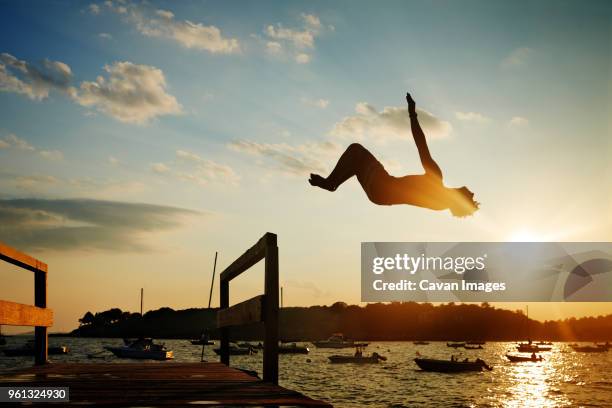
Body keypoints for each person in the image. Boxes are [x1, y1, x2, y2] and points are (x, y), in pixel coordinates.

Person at [309, 93, 479, 217]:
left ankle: (331, 183)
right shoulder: (440, 203)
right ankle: (331, 183)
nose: (472, 193)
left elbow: (421, 144)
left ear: (461, 199)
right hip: (379, 195)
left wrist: (412, 114)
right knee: (356, 160)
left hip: (382, 185)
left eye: (471, 196)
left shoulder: (437, 185)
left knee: (356, 150)